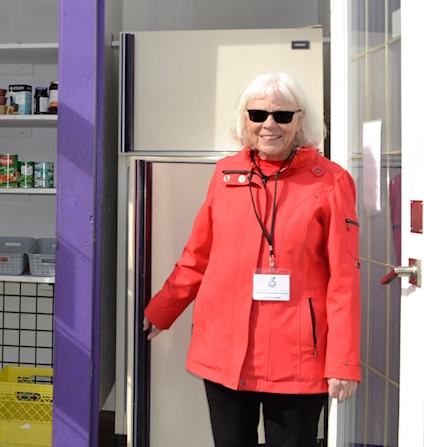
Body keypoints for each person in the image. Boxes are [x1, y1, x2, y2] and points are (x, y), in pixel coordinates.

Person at [142, 71, 361, 447]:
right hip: (225, 350)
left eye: (282, 115)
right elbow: (198, 255)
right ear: (245, 120)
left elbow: (344, 278)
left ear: (301, 120)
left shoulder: (331, 182)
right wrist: (163, 309)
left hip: (297, 357)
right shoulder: (225, 174)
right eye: (258, 115)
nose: (269, 125)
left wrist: (343, 362)